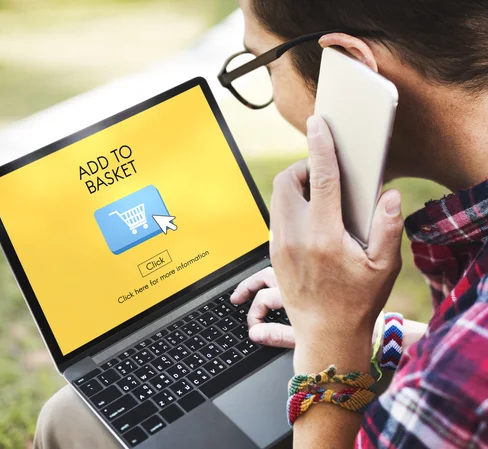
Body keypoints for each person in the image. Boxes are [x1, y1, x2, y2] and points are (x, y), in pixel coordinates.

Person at [34, 0, 488, 447]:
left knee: (66, 421)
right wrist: (371, 334)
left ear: (351, 69)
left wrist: (330, 343)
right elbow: (456, 350)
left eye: (263, 66)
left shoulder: (455, 391)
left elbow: (457, 375)